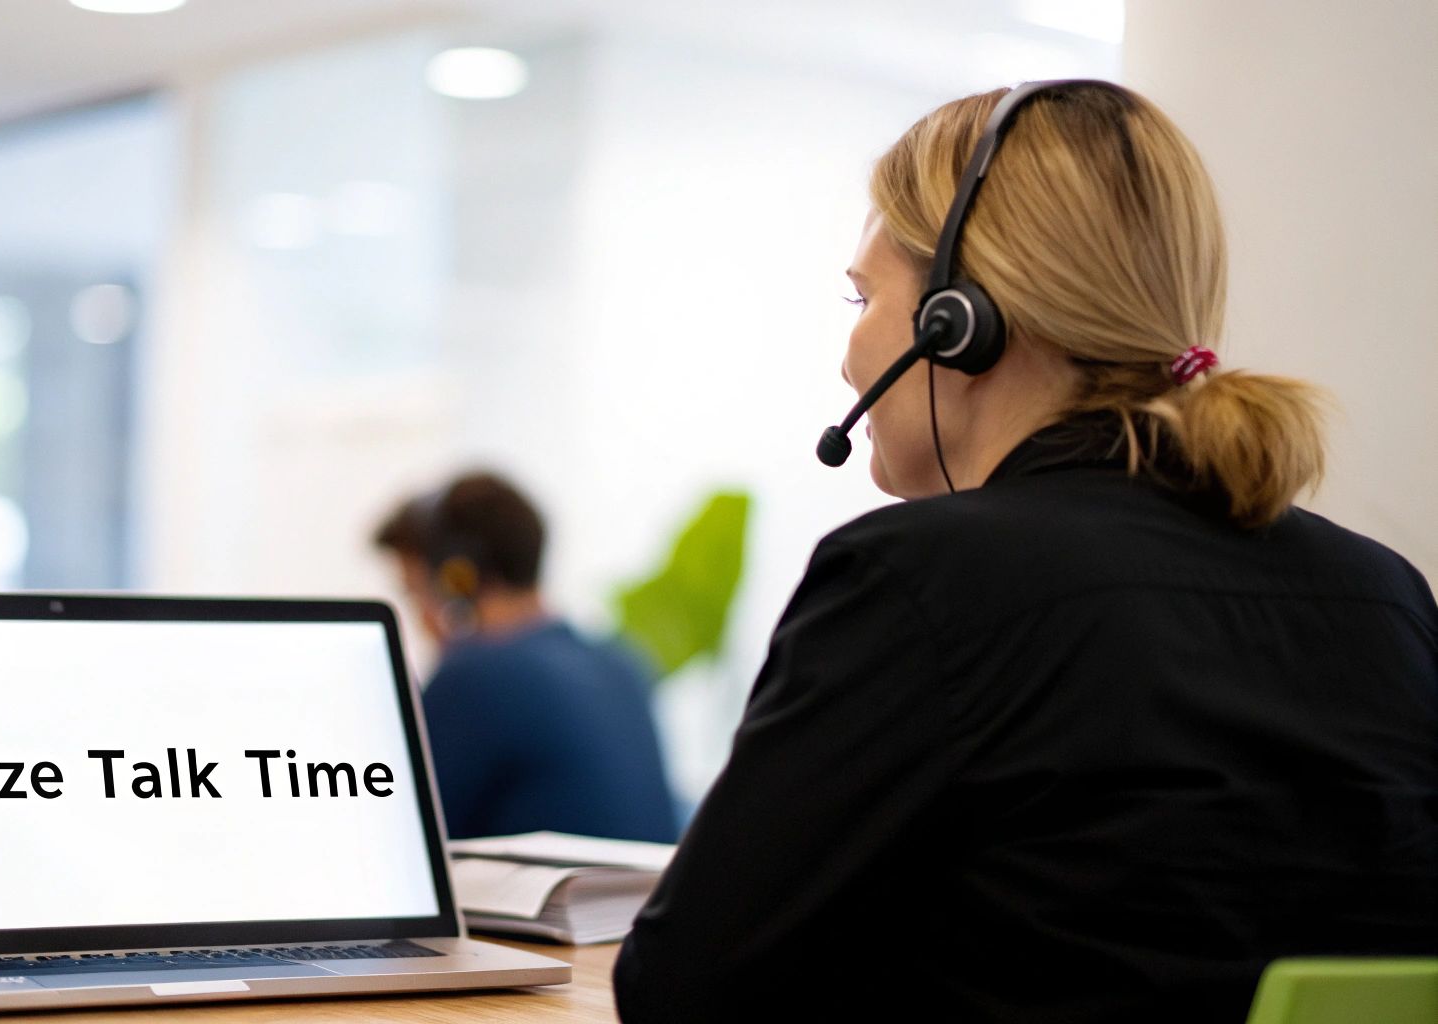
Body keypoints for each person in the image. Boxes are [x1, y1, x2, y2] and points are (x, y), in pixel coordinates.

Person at [613, 80, 1437, 1023]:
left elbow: (684, 989)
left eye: (862, 296)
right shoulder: (1387, 598)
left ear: (957, 321)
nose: (848, 358)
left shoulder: (921, 579)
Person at [373, 471, 678, 843]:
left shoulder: (475, 677)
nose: (420, 619)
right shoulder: (621, 663)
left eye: (414, 592)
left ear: (457, 578)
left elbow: (398, 837)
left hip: (532, 902)